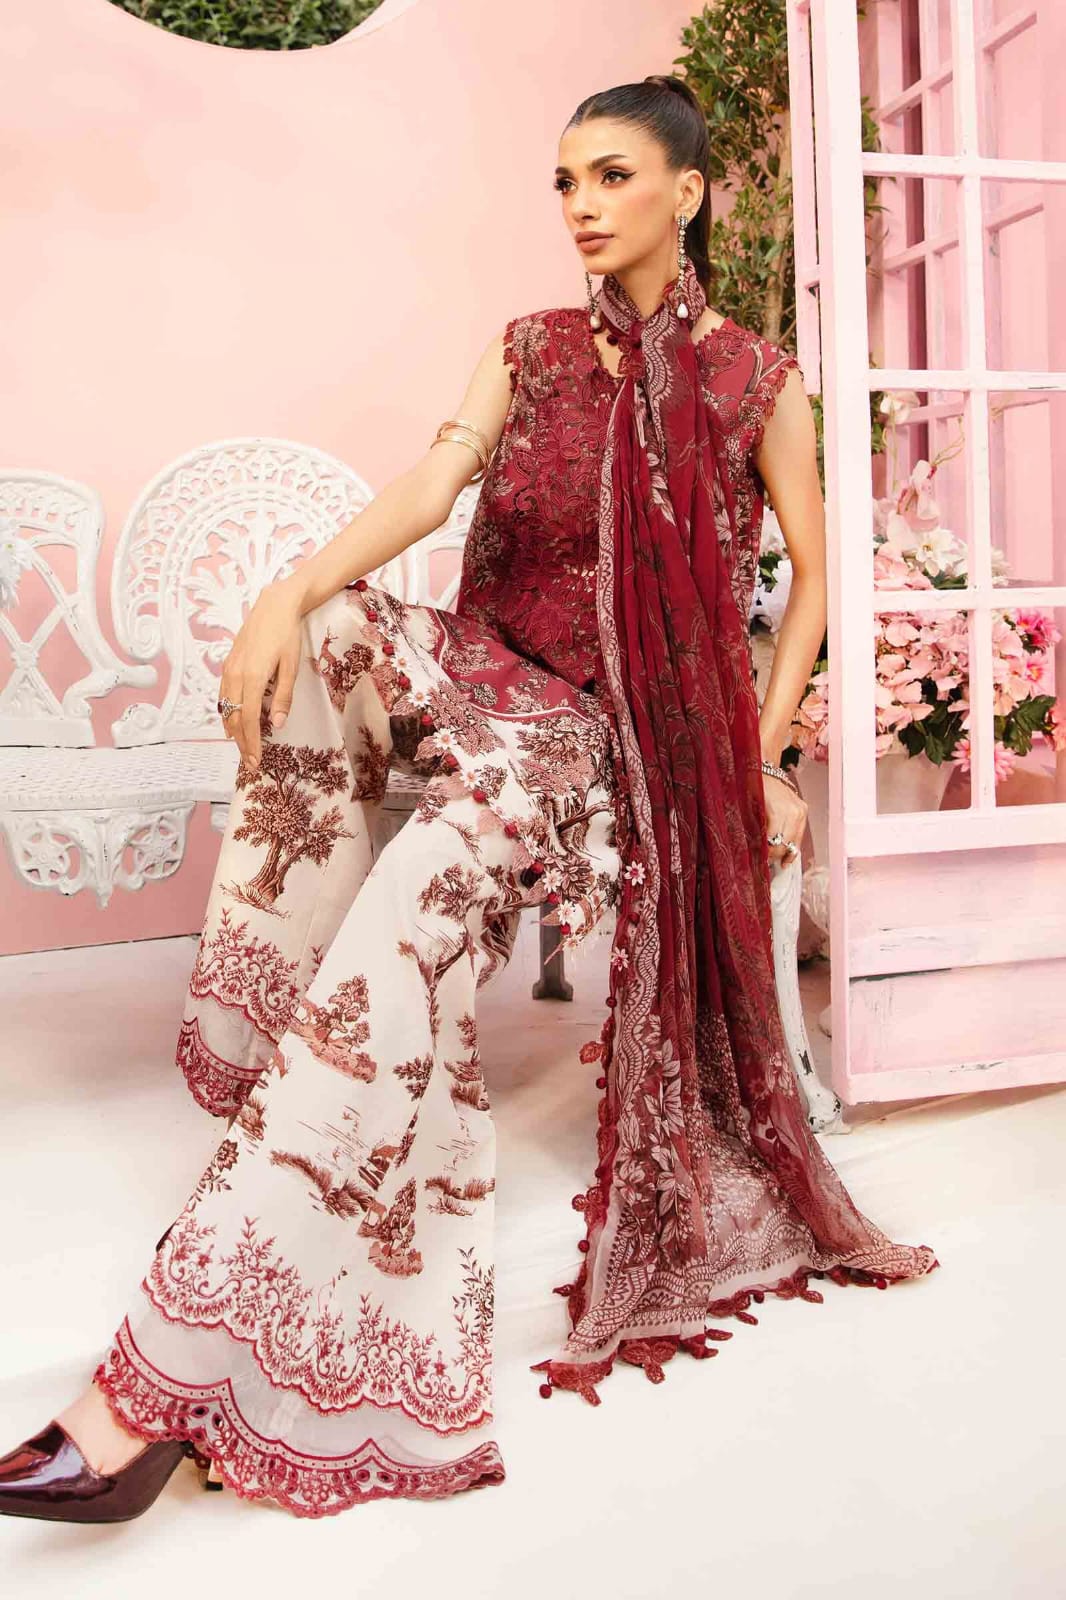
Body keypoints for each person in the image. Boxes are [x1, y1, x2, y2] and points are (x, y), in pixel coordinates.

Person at [0, 73, 937, 1524]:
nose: (580, 206)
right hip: (483, 667)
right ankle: (292, 1037)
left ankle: (164, 1376)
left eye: (611, 176)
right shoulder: (532, 349)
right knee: (327, 629)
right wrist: (284, 590)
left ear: (687, 192)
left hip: (622, 733)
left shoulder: (756, 380)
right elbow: (432, 487)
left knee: (442, 862)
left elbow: (813, 581)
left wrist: (757, 758)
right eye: (564, 180)